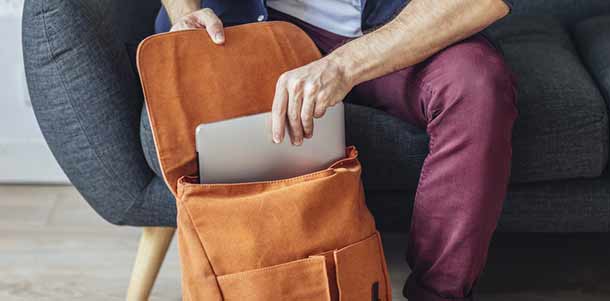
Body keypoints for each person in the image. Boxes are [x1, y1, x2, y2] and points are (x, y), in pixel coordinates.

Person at [156, 0, 517, 300]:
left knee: (477, 85)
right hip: (257, 21)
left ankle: (438, 293)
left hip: (400, 24)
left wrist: (342, 67)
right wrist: (185, 13)